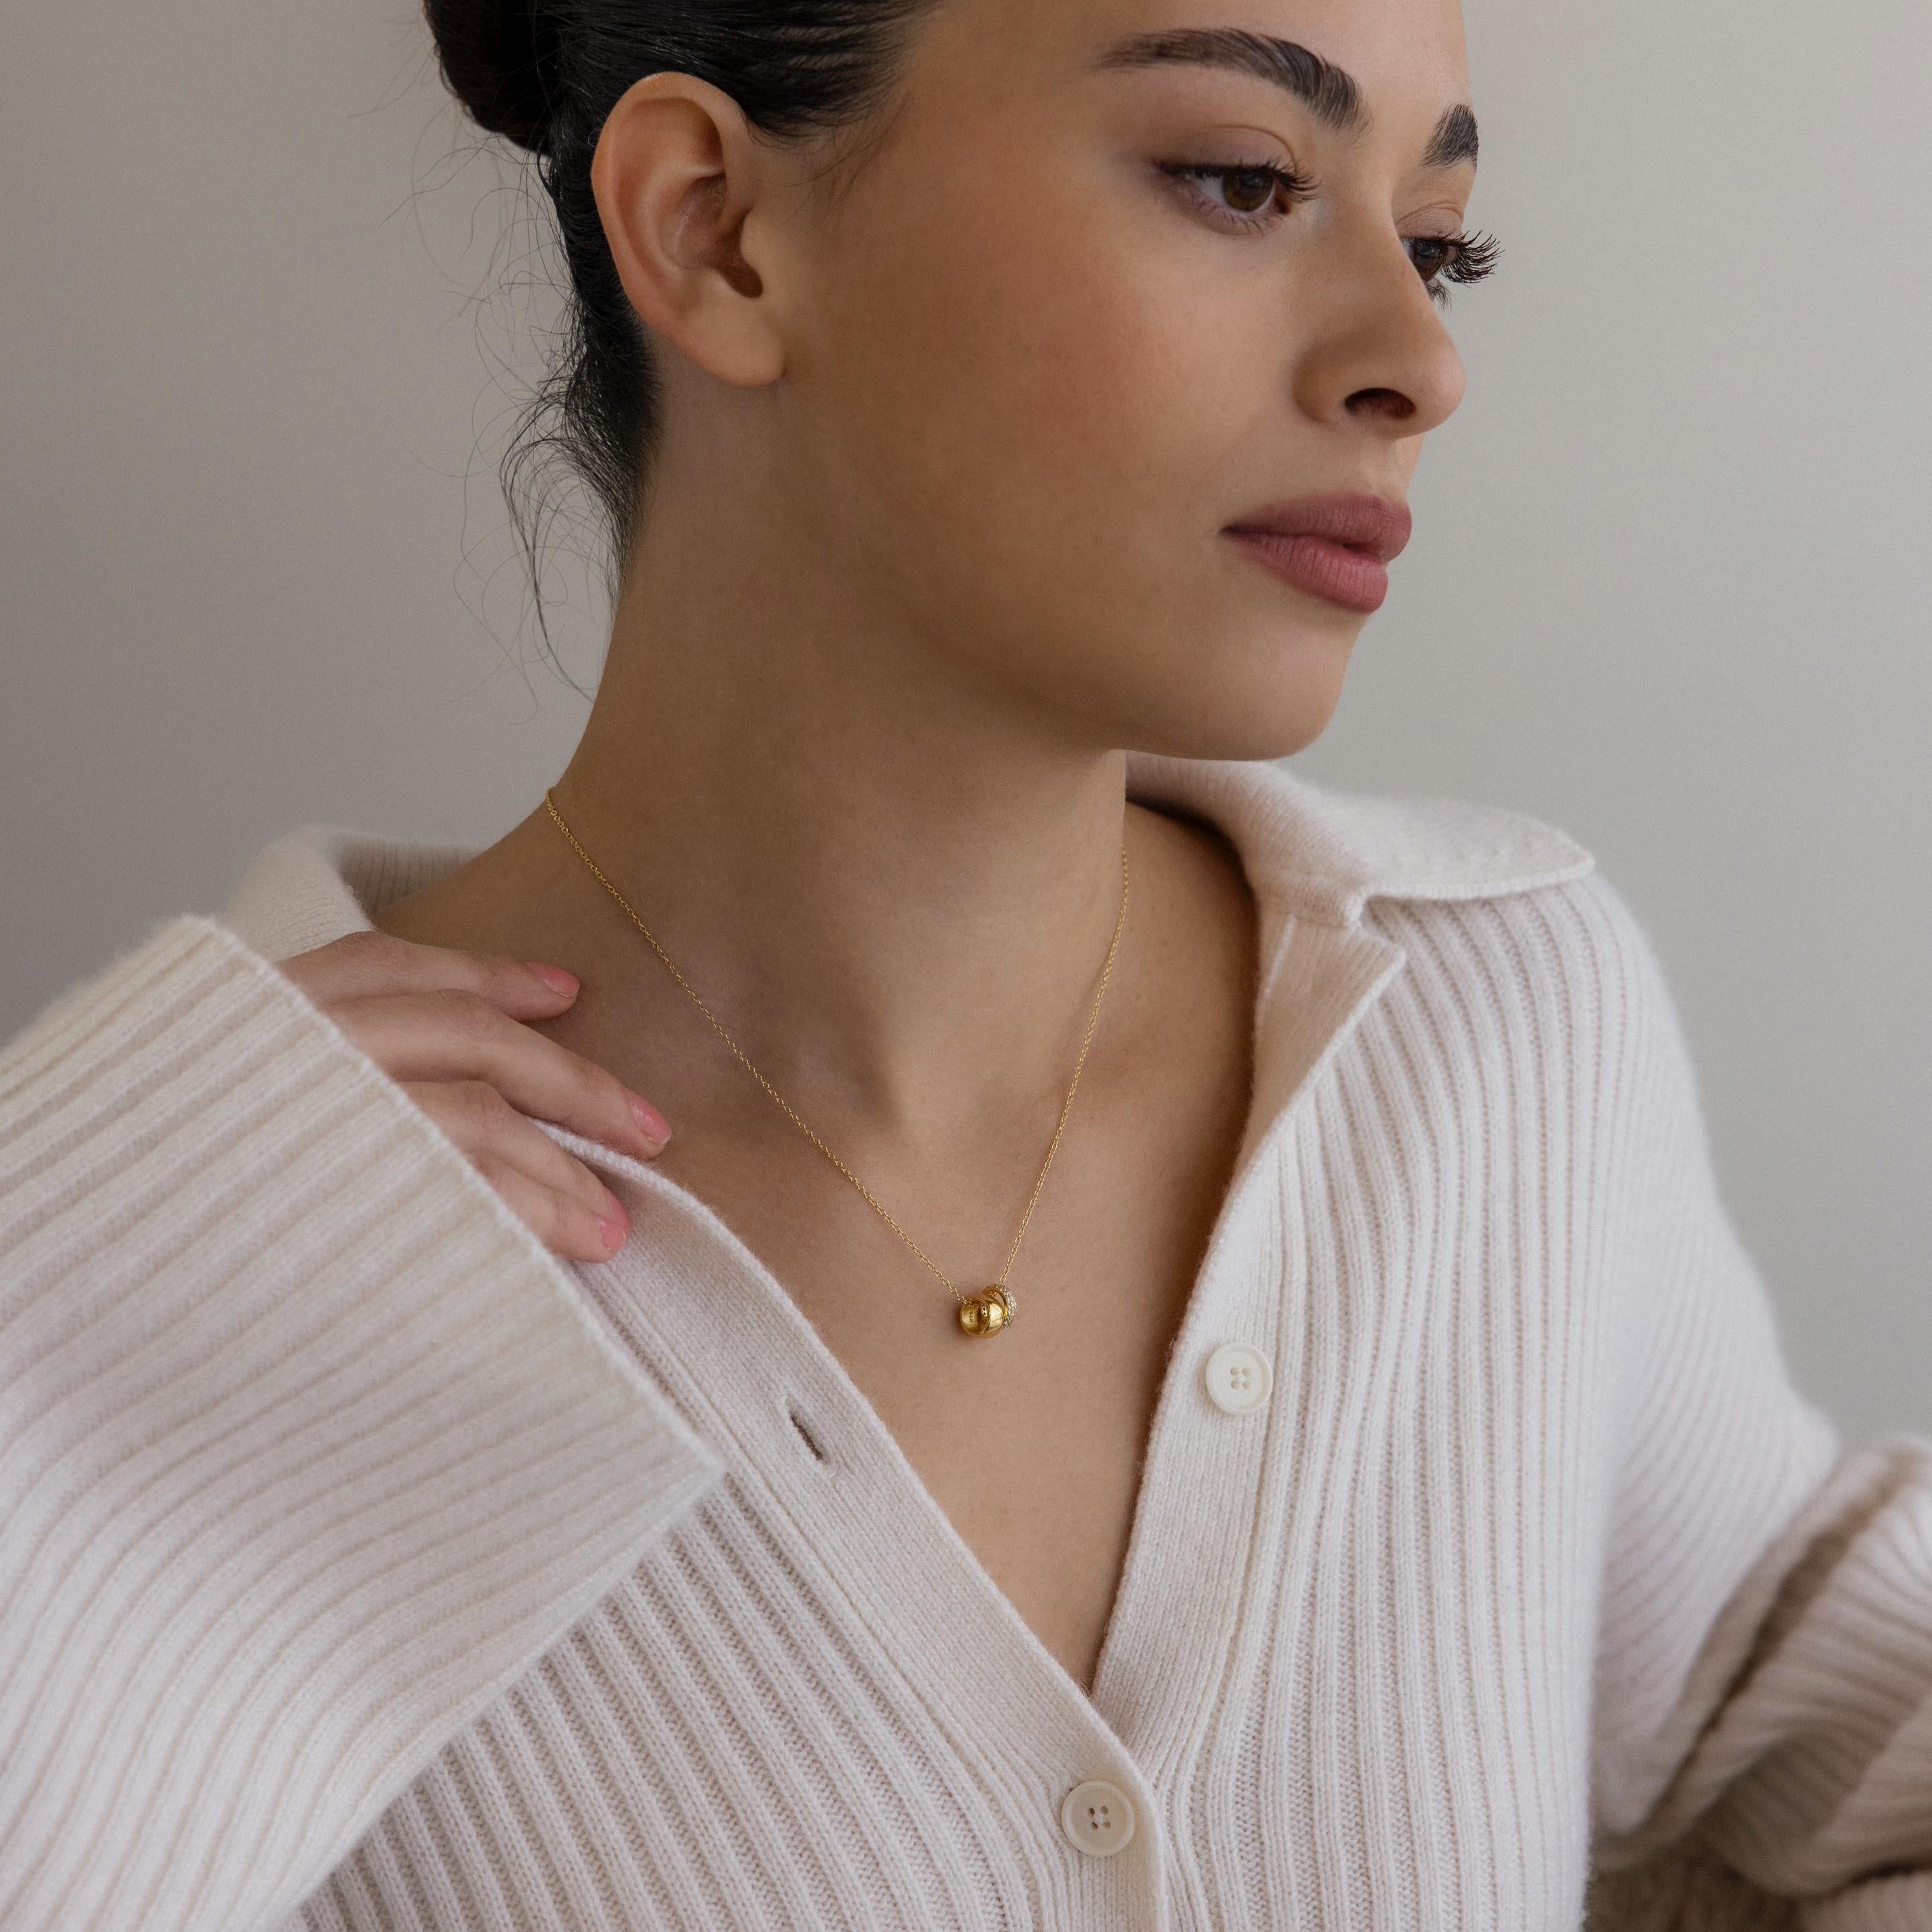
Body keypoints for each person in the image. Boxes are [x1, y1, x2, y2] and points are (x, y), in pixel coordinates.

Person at [1, 0, 1927, 1925]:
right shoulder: (175, 1263)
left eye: (1439, 248)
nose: (1419, 362)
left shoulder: (1482, 1041)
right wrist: (48, 1291)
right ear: (713, 229)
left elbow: (1843, 1732)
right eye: (1240, 181)